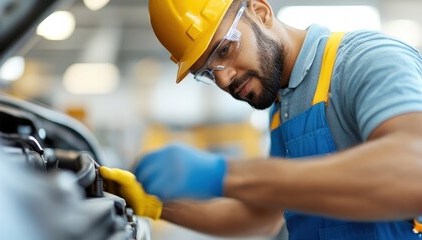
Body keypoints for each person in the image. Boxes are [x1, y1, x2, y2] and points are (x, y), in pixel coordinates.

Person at [99, 0, 422, 239]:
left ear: (261, 11)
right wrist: (154, 204)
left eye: (224, 51)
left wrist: (224, 174)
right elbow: (261, 218)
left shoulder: (364, 60)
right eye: (207, 73)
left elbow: (413, 172)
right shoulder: (282, 104)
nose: (223, 80)